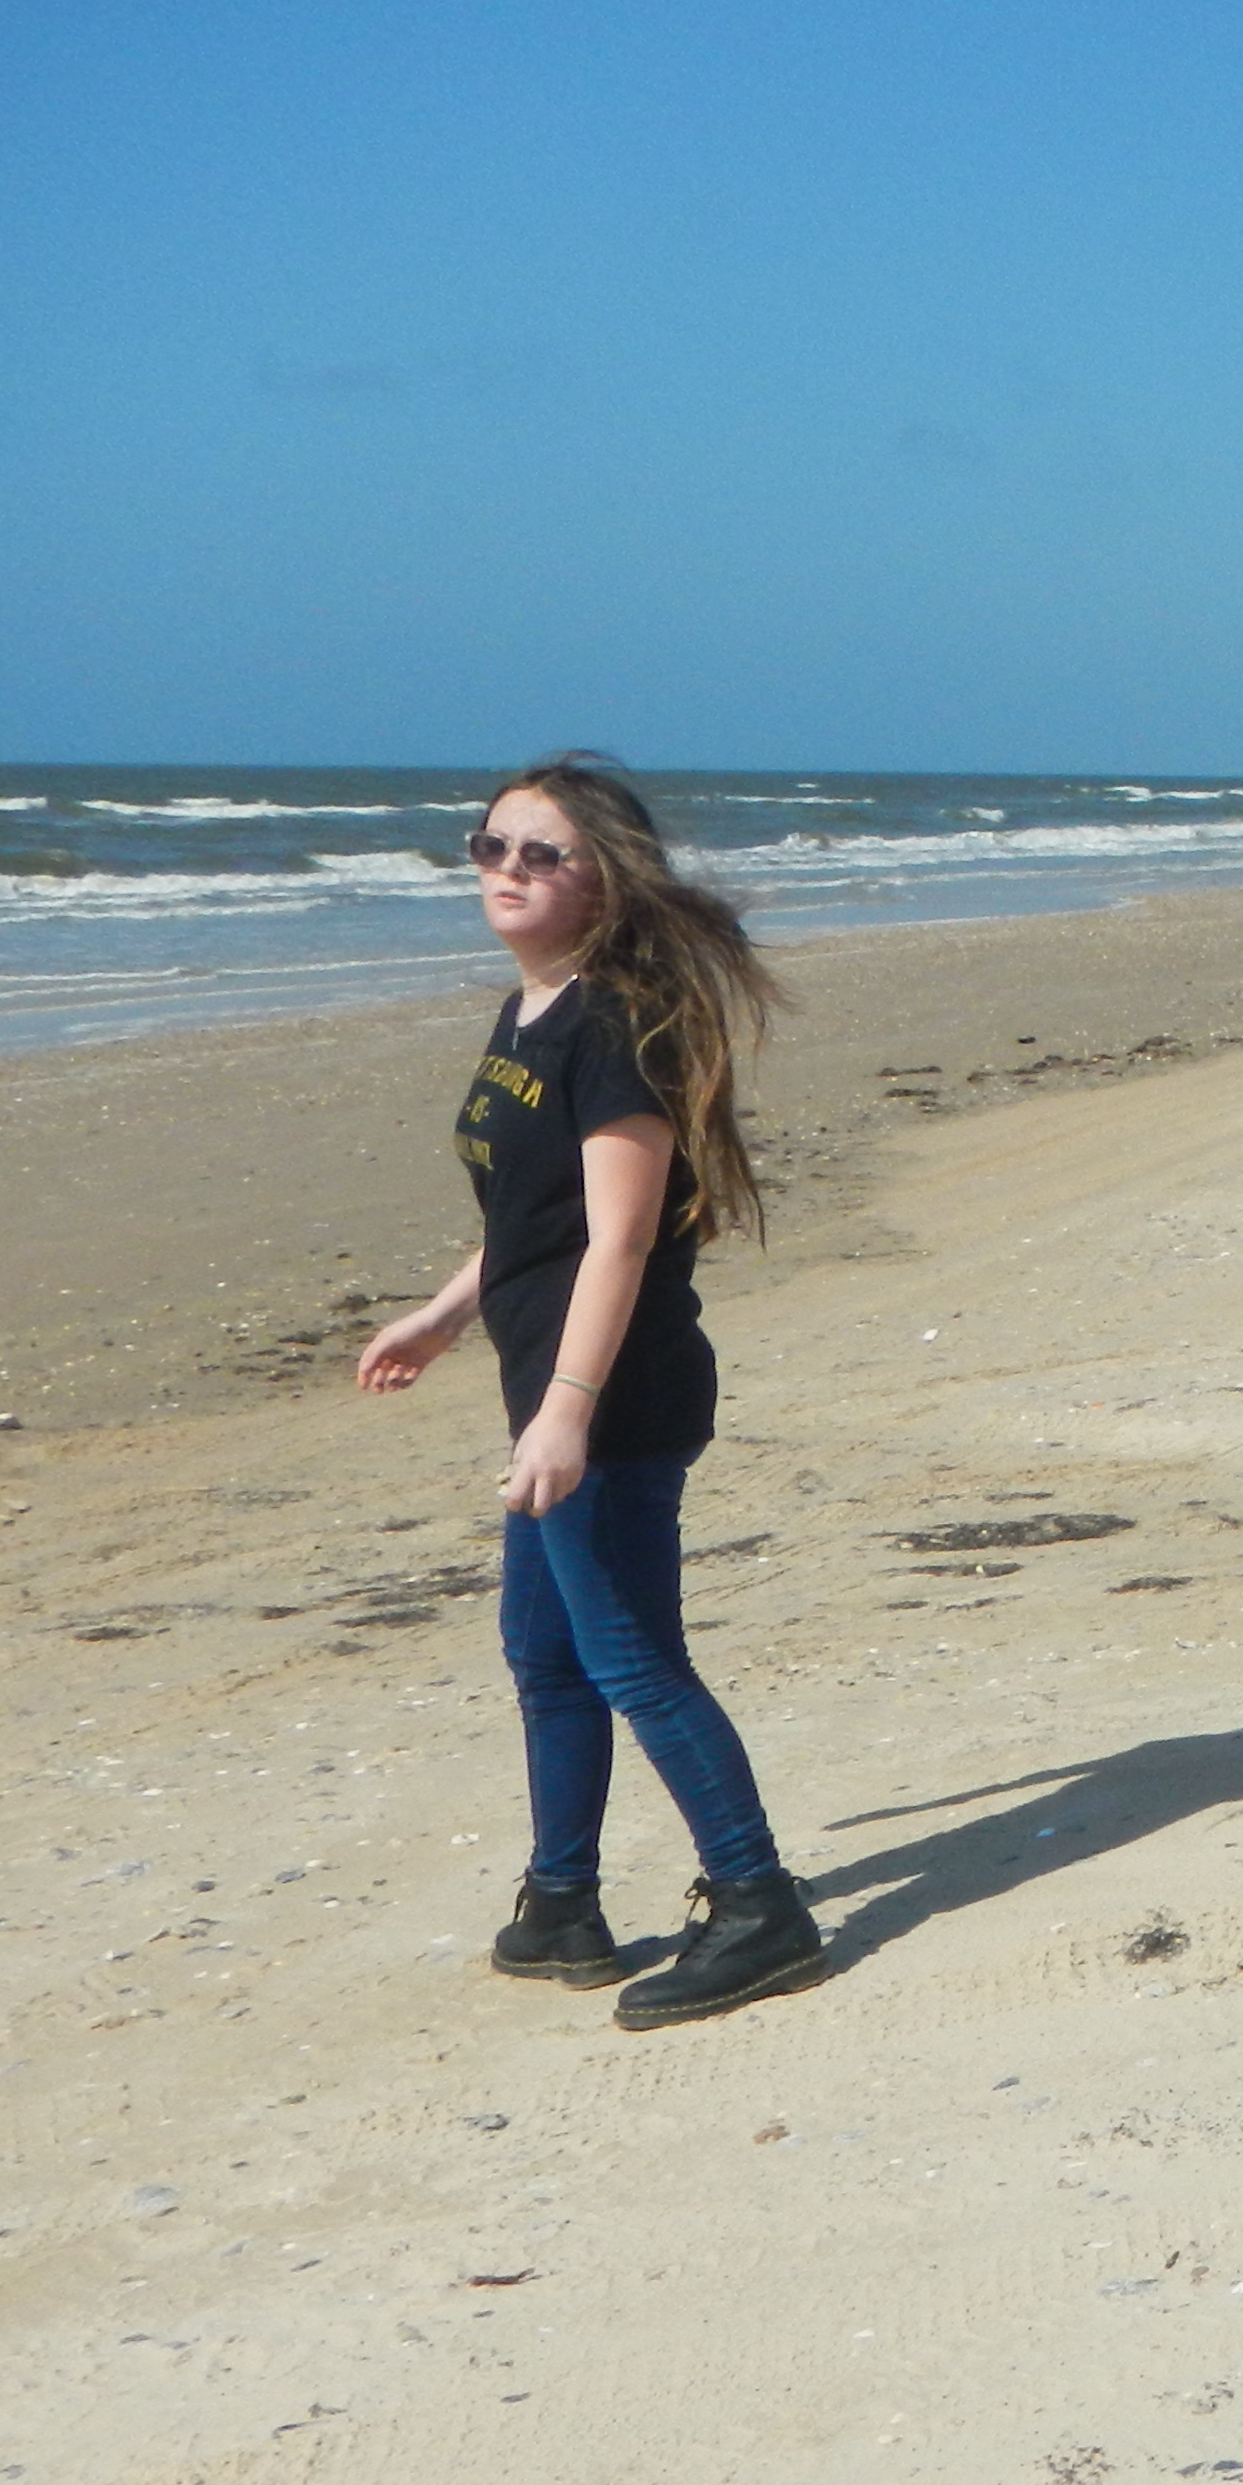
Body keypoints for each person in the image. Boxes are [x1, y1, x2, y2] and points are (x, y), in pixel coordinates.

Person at [354, 753, 828, 2028]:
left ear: (602, 878)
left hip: (612, 1394)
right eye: (491, 846)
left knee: (631, 1658)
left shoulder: (617, 1028)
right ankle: (563, 1902)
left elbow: (619, 1243)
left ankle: (759, 1905)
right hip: (551, 1382)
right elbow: (536, 1219)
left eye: (541, 853)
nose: (507, 870)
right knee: (544, 1656)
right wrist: (449, 1313)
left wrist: (566, 1410)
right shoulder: (531, 1015)